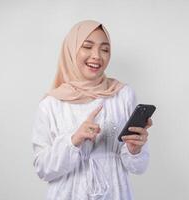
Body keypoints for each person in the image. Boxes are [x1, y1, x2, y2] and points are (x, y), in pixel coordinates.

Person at [32, 19, 153, 200]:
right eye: (87, 47)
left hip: (115, 194)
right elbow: (42, 168)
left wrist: (135, 149)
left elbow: (138, 168)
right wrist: (74, 140)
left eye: (104, 49)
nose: (97, 55)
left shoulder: (122, 95)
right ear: (71, 50)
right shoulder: (51, 104)